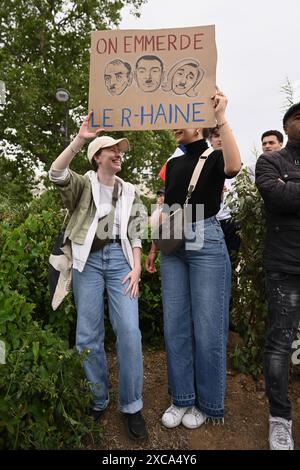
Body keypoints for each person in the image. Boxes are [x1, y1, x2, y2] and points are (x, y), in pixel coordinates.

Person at [48, 112, 148, 440]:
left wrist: (135, 267)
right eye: (112, 150)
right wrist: (80, 139)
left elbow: (135, 233)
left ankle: (132, 406)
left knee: (130, 332)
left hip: (121, 263)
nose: (119, 154)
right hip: (86, 263)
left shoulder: (130, 190)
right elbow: (56, 172)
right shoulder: (82, 185)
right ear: (97, 157)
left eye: (121, 150)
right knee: (87, 336)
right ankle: (98, 398)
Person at [145, 90, 241, 429]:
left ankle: (208, 403)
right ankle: (181, 399)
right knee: (175, 325)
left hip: (206, 236)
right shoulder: (172, 164)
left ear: (198, 126)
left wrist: (222, 117)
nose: (174, 126)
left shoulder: (214, 156)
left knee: (209, 327)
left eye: (180, 120)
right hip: (174, 244)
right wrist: (155, 246)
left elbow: (234, 166)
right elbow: (167, 208)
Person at [255, 102, 300, 450]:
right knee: (279, 346)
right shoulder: (270, 161)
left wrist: (292, 186)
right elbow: (275, 196)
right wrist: (285, 188)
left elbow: (289, 193)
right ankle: (280, 419)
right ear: (287, 126)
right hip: (285, 267)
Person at [209, 127, 241, 259]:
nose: (220, 139)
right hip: (208, 222)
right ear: (210, 140)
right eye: (216, 136)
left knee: (233, 260)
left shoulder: (238, 166)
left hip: (232, 222)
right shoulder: (201, 164)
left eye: (223, 135)